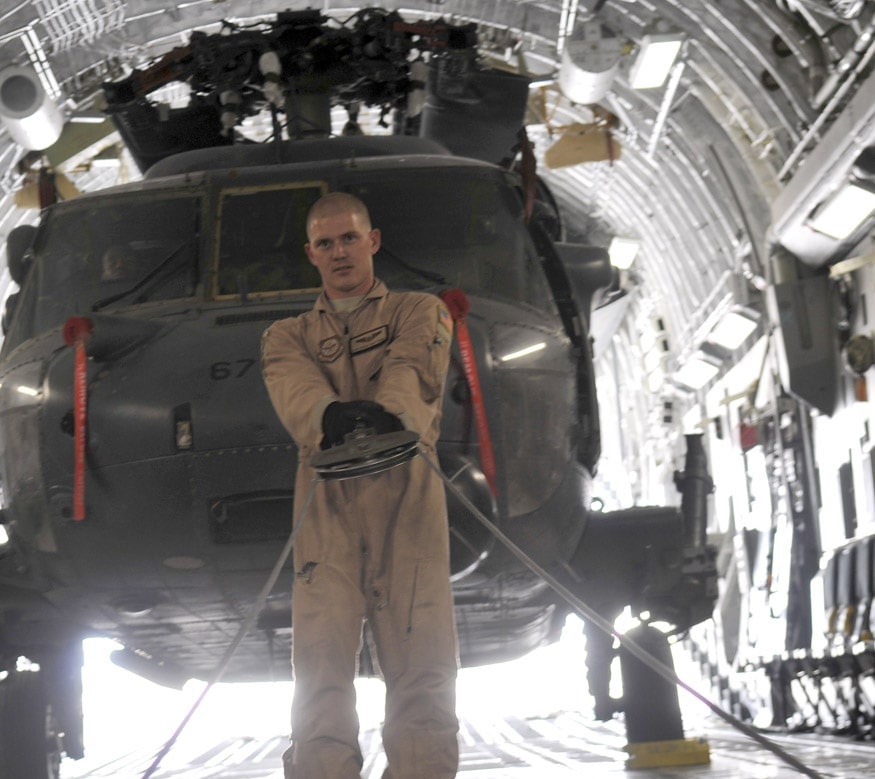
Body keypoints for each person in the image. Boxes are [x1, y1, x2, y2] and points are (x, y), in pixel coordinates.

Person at [261, 192, 460, 778]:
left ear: (372, 241)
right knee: (320, 668)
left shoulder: (419, 311)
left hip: (409, 498)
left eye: (349, 238)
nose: (339, 252)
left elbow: (412, 370)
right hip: (327, 506)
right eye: (325, 243)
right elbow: (293, 386)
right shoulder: (285, 335)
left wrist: (386, 415)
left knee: (422, 662)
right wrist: (328, 416)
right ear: (311, 254)